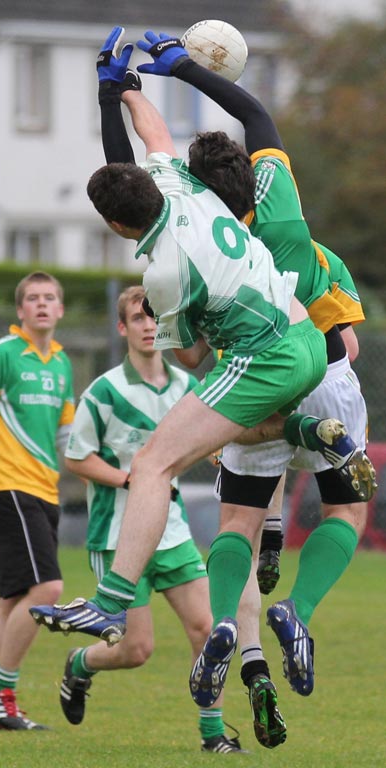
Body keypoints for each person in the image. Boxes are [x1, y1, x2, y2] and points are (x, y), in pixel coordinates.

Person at [30, 29, 374, 727]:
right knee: (333, 499)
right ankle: (298, 570)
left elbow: (188, 358)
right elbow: (152, 138)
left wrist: (108, 88)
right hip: (315, 347)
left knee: (163, 464)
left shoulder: (163, 274)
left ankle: (115, 599)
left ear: (121, 230)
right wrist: (138, 84)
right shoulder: (189, 187)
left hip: (261, 361)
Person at [153, 39, 374, 711]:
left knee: (235, 526)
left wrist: (123, 97)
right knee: (346, 508)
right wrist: (181, 67)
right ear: (250, 177)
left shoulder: (194, 242)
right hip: (323, 367)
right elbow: (259, 119)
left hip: (250, 384)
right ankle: (298, 611)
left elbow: (187, 352)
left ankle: (224, 621)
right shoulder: (284, 213)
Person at [56, 285, 246, 754]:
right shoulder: (104, 391)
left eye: (153, 319)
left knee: (208, 630)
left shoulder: (189, 388)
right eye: (137, 320)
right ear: (122, 329)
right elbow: (76, 458)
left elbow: (216, 435)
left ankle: (213, 736)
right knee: (136, 650)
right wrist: (131, 481)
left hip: (175, 532)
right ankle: (80, 664)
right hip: (118, 536)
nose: (146, 327)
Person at [0, 271, 75, 730]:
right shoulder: (3, 354)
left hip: (46, 491)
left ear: (60, 310)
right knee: (48, 590)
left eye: (50, 298)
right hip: (8, 485)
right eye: (33, 298)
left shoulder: (62, 363)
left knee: (13, 599)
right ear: (20, 310)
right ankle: (2, 692)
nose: (42, 304)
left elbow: (67, 436)